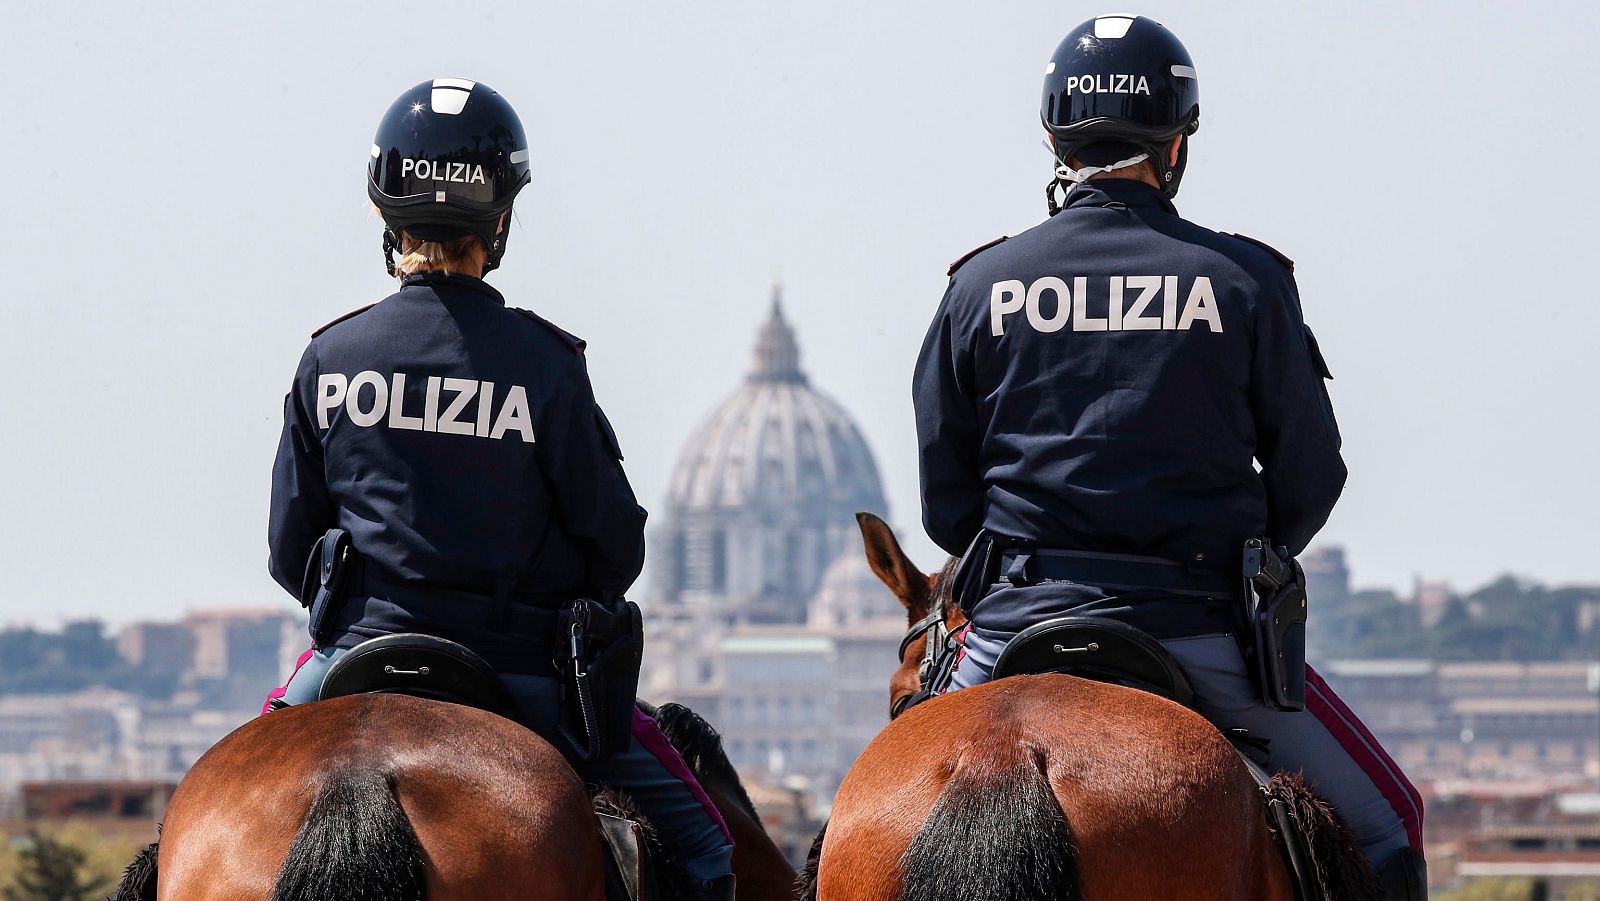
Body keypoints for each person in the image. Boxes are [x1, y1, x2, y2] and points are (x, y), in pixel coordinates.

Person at [913, 16, 1426, 899]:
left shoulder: (977, 287)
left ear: (1054, 139)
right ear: (1177, 142)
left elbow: (944, 501)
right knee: (1390, 825)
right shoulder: (1246, 280)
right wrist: (1241, 552)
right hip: (1198, 625)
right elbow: (1312, 476)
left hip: (1010, 626)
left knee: (842, 835)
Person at [264, 78, 734, 899]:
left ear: (384, 212)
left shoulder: (330, 358)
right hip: (521, 674)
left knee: (208, 809)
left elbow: (287, 549)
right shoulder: (545, 365)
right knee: (705, 846)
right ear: (501, 219)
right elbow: (613, 549)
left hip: (353, 653)